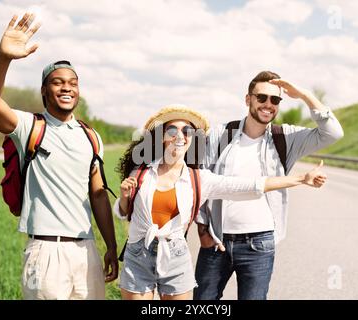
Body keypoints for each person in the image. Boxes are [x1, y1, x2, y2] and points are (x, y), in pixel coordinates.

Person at [113, 105, 328, 300]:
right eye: (172, 130)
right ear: (161, 137)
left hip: (175, 255)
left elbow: (251, 185)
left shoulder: (199, 178)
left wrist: (300, 179)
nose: (180, 136)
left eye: (187, 131)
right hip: (138, 253)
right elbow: (123, 213)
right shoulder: (141, 172)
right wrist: (124, 198)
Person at [0, 13, 118, 299]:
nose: (66, 87)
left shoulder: (91, 137)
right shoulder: (30, 126)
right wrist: (4, 58)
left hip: (86, 250)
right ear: (44, 90)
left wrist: (111, 246)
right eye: (57, 82)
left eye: (72, 83)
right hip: (45, 252)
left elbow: (99, 195)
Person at [193, 71, 344, 300]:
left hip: (259, 245)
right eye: (261, 97)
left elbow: (333, 133)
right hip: (216, 243)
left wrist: (304, 95)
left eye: (275, 100)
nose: (268, 104)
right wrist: (203, 230)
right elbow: (199, 180)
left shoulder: (285, 137)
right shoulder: (220, 134)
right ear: (248, 99)